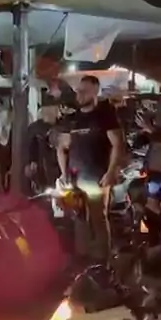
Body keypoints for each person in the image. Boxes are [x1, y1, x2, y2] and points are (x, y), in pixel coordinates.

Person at [57, 75, 124, 259]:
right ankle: (83, 257)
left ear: (95, 91)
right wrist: (63, 174)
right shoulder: (72, 119)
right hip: (75, 178)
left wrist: (111, 172)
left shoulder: (105, 116)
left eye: (84, 91)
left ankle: (102, 260)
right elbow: (62, 147)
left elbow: (118, 144)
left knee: (98, 218)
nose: (79, 94)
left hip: (97, 177)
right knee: (78, 217)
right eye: (78, 91)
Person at [25, 101, 61, 191]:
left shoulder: (62, 126)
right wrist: (32, 161)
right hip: (42, 169)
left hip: (58, 168)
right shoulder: (34, 128)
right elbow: (30, 147)